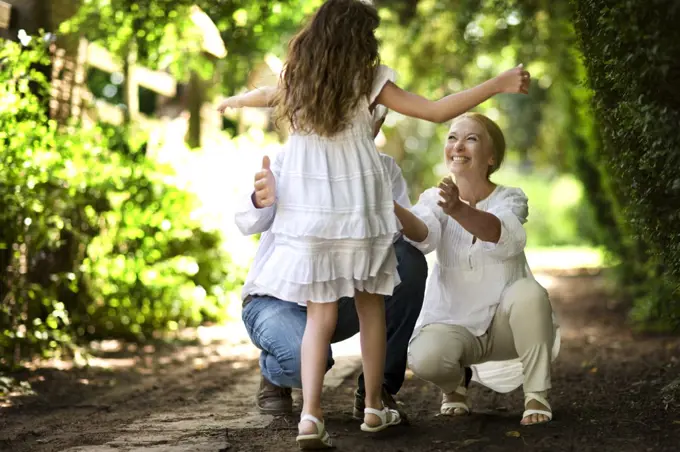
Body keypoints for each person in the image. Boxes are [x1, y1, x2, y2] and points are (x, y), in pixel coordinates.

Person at [220, 0, 529, 446]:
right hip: (359, 206)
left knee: (319, 318)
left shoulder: (298, 80)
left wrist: (236, 100)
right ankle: (373, 407)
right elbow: (437, 110)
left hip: (313, 219)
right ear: (360, 39)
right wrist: (498, 83)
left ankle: (310, 416)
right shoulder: (370, 79)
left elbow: (264, 95)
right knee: (371, 309)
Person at [394, 112, 560, 426]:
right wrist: (390, 204)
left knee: (530, 293)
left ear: (491, 156)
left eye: (471, 139)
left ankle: (536, 394)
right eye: (453, 138)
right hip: (455, 326)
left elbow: (501, 234)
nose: (458, 146)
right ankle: (455, 387)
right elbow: (422, 236)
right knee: (425, 357)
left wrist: (458, 209)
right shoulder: (434, 199)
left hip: (507, 327)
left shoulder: (510, 198)